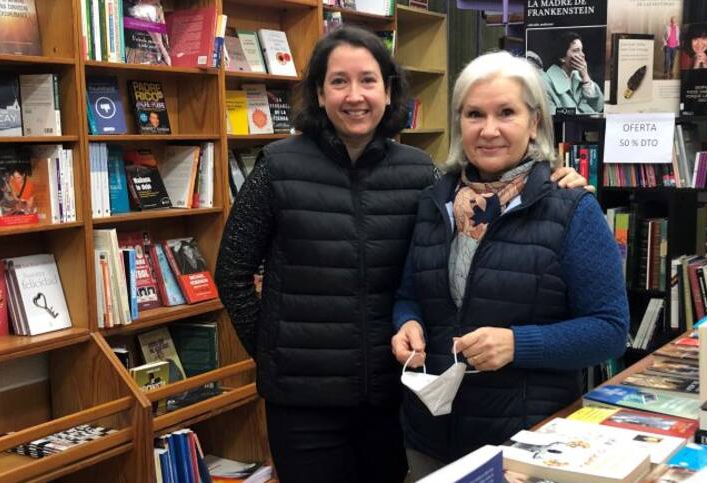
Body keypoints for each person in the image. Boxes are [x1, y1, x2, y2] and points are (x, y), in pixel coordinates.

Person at [215, 28, 588, 483]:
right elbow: (232, 272)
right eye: (339, 82)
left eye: (369, 81)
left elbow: (480, 206)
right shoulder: (276, 166)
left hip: (397, 397)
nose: (356, 96)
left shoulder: (420, 173)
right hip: (303, 403)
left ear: (389, 91)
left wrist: (552, 177)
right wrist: (273, 351)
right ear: (319, 92)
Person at [391, 51, 628, 477]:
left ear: (534, 121)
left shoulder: (571, 208)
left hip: (526, 445)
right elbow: (411, 294)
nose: (489, 129)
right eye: (474, 114)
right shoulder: (434, 202)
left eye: (506, 113)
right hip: (429, 438)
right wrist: (407, 323)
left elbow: (610, 330)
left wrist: (518, 345)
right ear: (459, 120)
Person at [541, 32, 603, 114]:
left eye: (582, 50)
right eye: (576, 50)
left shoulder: (579, 78)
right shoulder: (545, 83)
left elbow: (598, 107)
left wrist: (586, 77)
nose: (582, 55)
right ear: (562, 57)